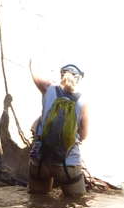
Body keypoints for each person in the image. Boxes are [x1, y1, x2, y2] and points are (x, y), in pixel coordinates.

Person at [27, 61, 89, 198]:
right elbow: (84, 134)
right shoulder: (83, 102)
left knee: (37, 202)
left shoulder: (48, 88)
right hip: (68, 164)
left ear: (62, 75)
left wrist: (31, 62)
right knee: (76, 204)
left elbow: (34, 73)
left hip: (41, 160)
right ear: (79, 79)